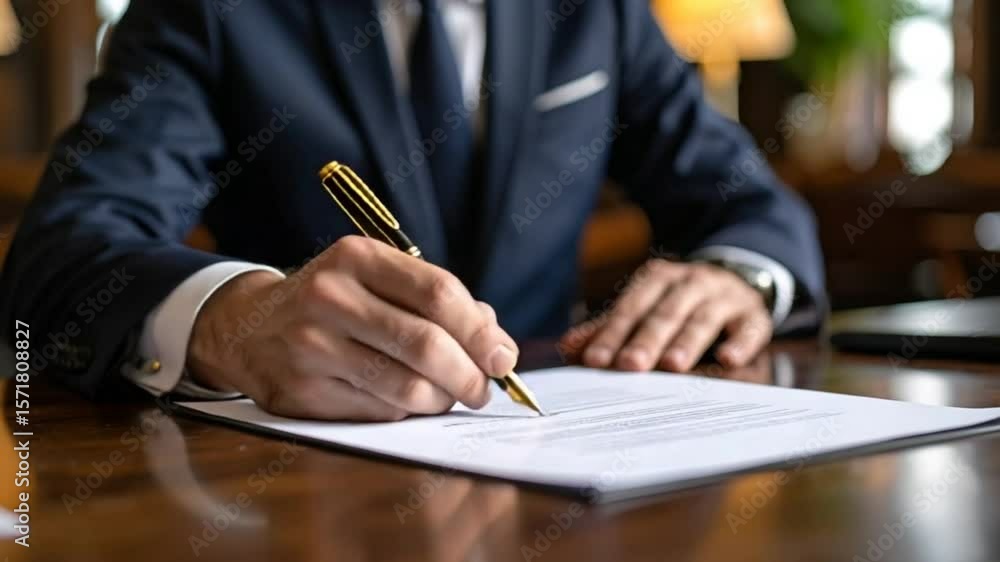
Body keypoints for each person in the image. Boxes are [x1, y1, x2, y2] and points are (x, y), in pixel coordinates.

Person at [0, 0, 825, 421]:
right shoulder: (214, 12)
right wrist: (229, 320)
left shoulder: (596, 12)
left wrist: (739, 277)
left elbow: (747, 203)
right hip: (304, 500)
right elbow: (58, 254)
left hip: (556, 467)